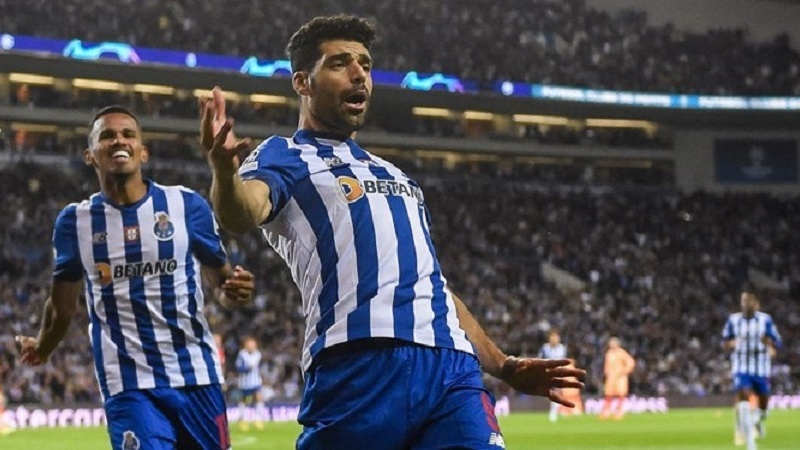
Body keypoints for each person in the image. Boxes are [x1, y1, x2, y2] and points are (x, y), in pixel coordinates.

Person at [200, 14, 586, 449]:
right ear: (302, 82)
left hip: (450, 369)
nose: (359, 73)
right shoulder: (284, 155)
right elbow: (241, 213)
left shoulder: (398, 176)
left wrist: (503, 365)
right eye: (340, 63)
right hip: (358, 364)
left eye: (365, 64)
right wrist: (224, 172)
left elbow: (433, 284)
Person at [16, 105, 256, 450]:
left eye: (128, 134)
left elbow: (222, 285)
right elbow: (62, 307)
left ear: (143, 151)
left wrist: (236, 291)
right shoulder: (75, 222)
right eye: (107, 136)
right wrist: (42, 347)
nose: (119, 140)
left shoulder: (186, 205)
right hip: (128, 385)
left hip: (196, 376)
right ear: (90, 155)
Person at [723, 287, 781, 449]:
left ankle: (758, 420)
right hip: (741, 365)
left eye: (748, 300)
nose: (745, 303)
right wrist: (731, 343)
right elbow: (725, 342)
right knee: (743, 397)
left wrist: (770, 345)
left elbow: (777, 341)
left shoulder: (765, 320)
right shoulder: (733, 320)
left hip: (761, 367)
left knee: (763, 405)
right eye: (743, 300)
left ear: (756, 303)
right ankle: (750, 443)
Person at [600, 336, 635, 420]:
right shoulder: (609, 353)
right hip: (611, 377)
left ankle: (619, 411)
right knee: (608, 394)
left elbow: (631, 362)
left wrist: (624, 371)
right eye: (611, 344)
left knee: (621, 394)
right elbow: (606, 365)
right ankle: (606, 411)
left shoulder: (621, 353)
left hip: (620, 377)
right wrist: (606, 373)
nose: (612, 345)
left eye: (613, 344)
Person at [235, 336, 264, 431]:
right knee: (244, 400)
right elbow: (238, 367)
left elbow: (259, 367)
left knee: (259, 397)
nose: (252, 346)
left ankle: (258, 419)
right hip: (245, 382)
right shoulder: (242, 355)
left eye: (253, 344)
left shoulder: (258, 354)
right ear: (246, 345)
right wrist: (247, 368)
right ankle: (242, 419)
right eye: (250, 344)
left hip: (256, 381)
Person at [538, 330, 567, 422]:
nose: (554, 339)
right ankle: (555, 409)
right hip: (548, 373)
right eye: (552, 337)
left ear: (559, 338)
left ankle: (555, 410)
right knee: (552, 392)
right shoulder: (545, 348)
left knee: (556, 391)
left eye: (556, 337)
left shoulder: (562, 348)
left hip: (559, 373)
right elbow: (539, 360)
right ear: (549, 339)